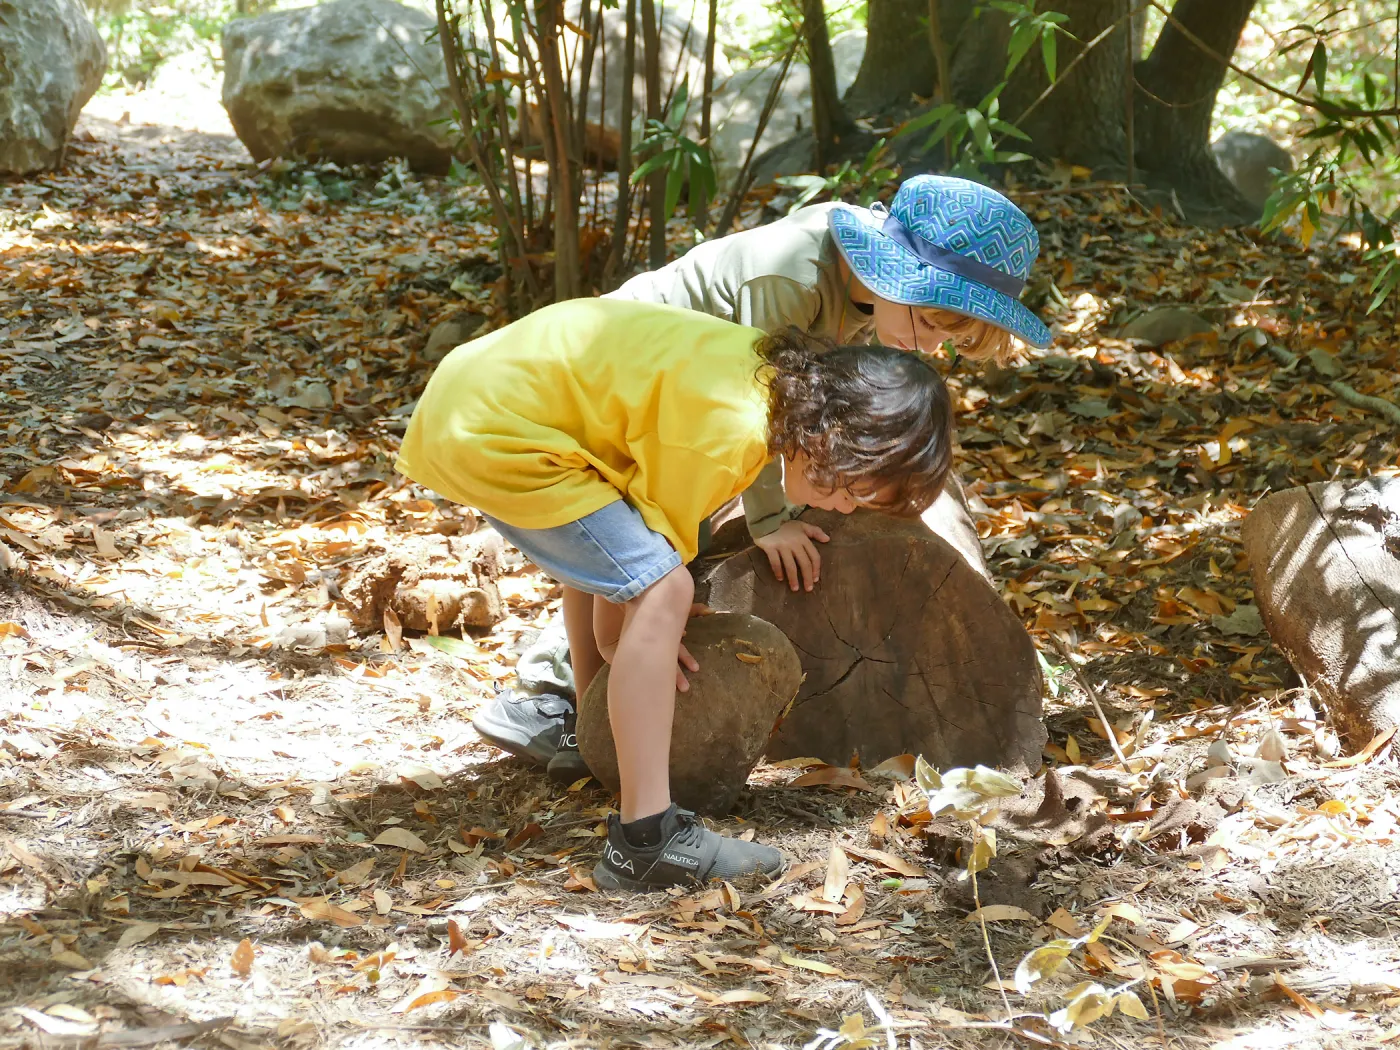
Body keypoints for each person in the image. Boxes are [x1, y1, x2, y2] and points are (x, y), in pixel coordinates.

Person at [471, 173, 1052, 780]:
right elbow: (762, 403)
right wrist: (771, 519)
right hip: (618, 402)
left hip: (661, 416)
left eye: (949, 339)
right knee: (640, 556)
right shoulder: (791, 279)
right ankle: (548, 691)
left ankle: (587, 713)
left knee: (625, 554)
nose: (932, 347)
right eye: (932, 324)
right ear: (895, 274)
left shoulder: (859, 285)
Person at [397, 298, 954, 890]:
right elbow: (646, 581)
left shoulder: (763, 383)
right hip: (499, 430)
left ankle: (595, 736)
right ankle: (646, 842)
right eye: (851, 488)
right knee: (664, 588)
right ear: (832, 437)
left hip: (481, 402)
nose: (842, 506)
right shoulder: (726, 437)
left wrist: (638, 639)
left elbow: (627, 540)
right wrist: (631, 641)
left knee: (648, 580)